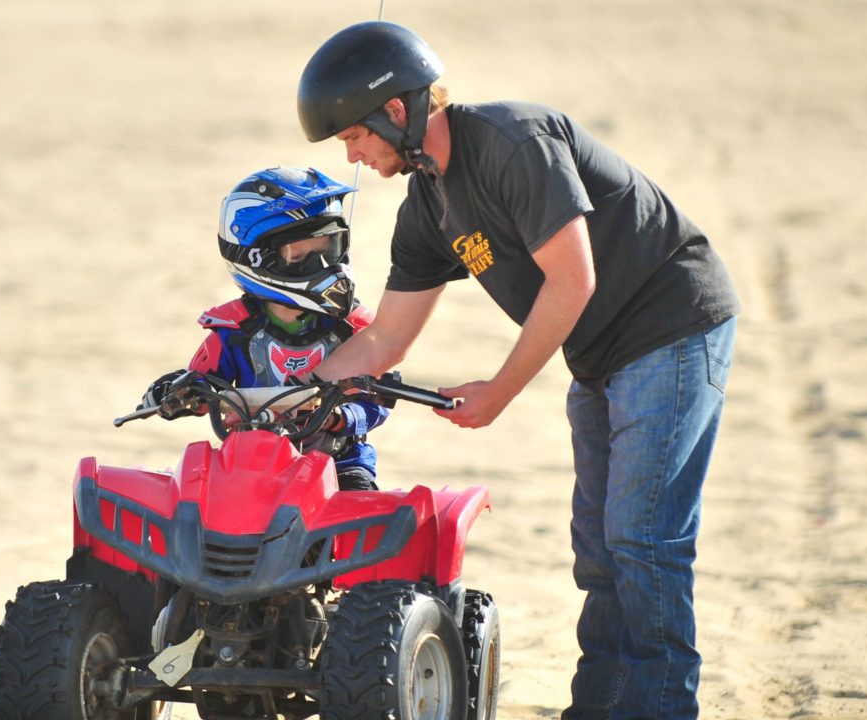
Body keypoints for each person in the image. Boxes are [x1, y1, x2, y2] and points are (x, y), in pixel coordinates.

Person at [297, 21, 740, 719]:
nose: (351, 154)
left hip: (672, 324)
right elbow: (384, 338)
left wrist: (499, 393)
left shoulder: (513, 143)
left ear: (394, 111)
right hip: (599, 357)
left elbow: (574, 281)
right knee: (598, 550)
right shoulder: (429, 206)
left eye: (352, 135)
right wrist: (295, 395)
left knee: (641, 538)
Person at [141, 165, 390, 492]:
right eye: (301, 254)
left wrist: (341, 418)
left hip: (339, 464)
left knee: (361, 508)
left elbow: (378, 402)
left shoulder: (353, 328)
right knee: (199, 496)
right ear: (258, 258)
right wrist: (177, 392)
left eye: (328, 248)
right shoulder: (233, 330)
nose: (322, 265)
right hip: (250, 464)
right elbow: (200, 383)